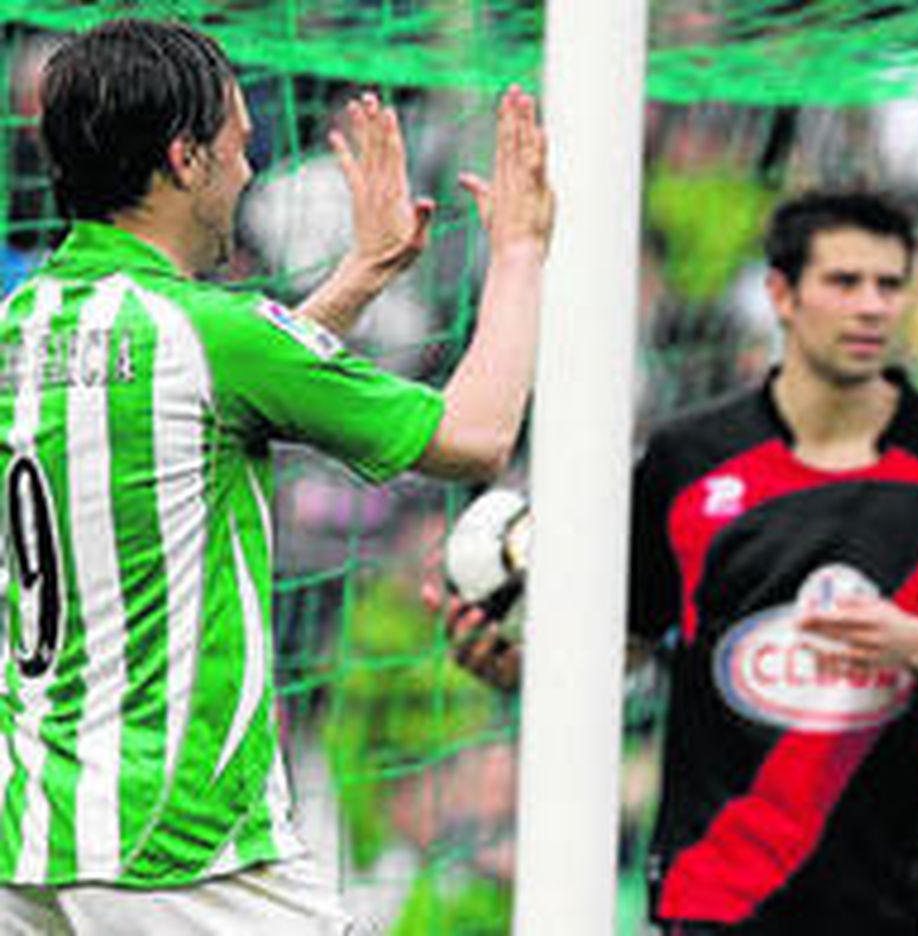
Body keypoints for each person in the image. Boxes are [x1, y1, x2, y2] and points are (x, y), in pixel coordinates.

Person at [0, 18, 552, 934]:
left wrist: (364, 274)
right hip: (177, 835)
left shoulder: (22, 325)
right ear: (184, 159)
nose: (249, 172)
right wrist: (523, 254)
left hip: (31, 831)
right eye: (238, 146)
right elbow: (477, 435)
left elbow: (214, 398)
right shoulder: (213, 336)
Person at [446, 191, 918, 933]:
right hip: (713, 886)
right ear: (781, 294)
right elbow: (625, 645)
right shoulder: (687, 459)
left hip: (881, 892)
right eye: (844, 282)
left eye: (889, 284)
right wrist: (523, 668)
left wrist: (911, 643)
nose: (872, 306)